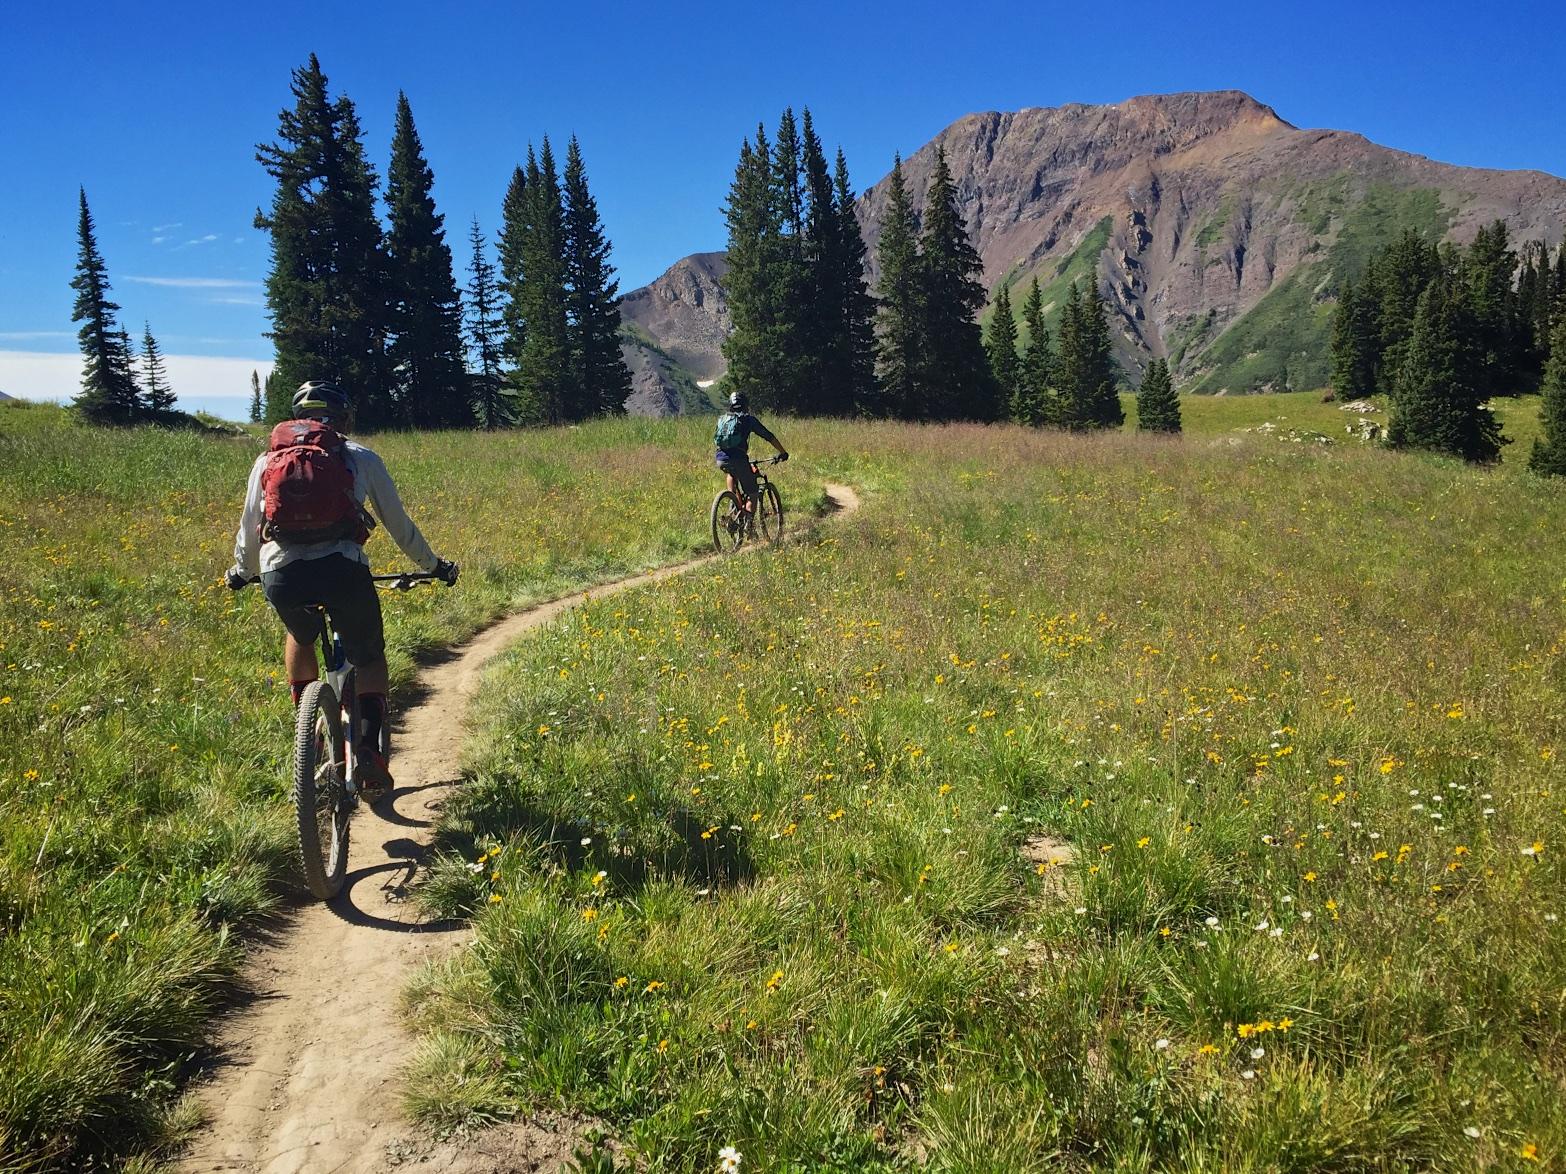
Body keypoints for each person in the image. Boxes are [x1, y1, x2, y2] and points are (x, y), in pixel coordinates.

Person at [226, 380, 458, 790]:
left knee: (300, 632)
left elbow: (249, 530)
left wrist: (242, 572)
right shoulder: (359, 457)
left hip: (282, 576)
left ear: (299, 420)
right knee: (369, 658)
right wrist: (435, 566)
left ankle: (308, 729)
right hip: (343, 572)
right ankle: (368, 750)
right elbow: (400, 528)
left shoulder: (266, 461)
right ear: (343, 418)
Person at [714, 391, 788, 523]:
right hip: (739, 459)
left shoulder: (723, 419)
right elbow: (768, 436)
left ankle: (733, 501)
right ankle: (749, 525)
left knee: (732, 473)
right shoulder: (748, 419)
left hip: (720, 458)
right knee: (753, 492)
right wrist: (783, 452)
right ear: (746, 405)